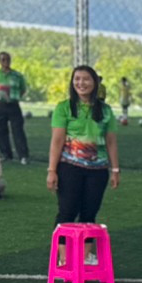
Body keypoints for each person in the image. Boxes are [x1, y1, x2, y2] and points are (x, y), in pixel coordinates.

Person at [47, 65, 120, 225]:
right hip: (70, 168)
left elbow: (111, 141)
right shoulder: (64, 108)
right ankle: (63, 243)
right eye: (77, 79)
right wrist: (52, 171)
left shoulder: (106, 110)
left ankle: (86, 244)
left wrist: (115, 170)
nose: (81, 83)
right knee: (67, 212)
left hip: (98, 170)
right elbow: (57, 141)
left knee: (89, 214)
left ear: (95, 82)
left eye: (86, 79)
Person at [0, 51, 31, 165]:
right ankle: (5, 154)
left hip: (13, 105)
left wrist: (14, 97)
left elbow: (22, 89)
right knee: (0, 130)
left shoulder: (17, 75)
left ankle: (23, 155)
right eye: (3, 59)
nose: (6, 62)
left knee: (17, 130)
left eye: (7, 59)